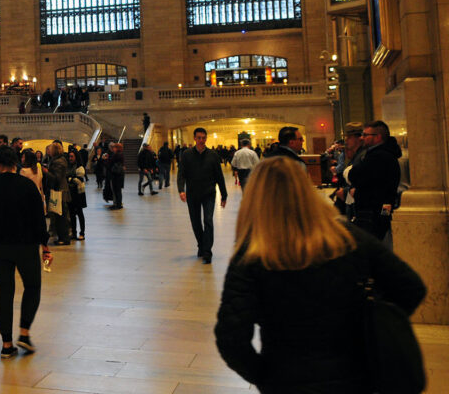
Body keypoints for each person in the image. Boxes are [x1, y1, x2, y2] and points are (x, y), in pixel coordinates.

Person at [215, 157, 426, 392]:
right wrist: (374, 322)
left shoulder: (252, 255)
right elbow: (410, 287)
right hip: (353, 376)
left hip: (287, 379)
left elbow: (231, 338)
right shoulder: (347, 237)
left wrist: (265, 376)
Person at [0, 146, 50, 358]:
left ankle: (6, 345)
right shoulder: (27, 186)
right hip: (25, 246)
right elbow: (39, 220)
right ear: (16, 163)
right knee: (33, 286)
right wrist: (45, 247)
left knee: (4, 292)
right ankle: (24, 333)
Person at [177, 127, 227, 264]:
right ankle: (201, 245)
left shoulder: (213, 155)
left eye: (203, 138)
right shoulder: (187, 154)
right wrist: (181, 189)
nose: (201, 140)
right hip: (192, 194)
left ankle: (207, 252)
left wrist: (224, 195)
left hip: (209, 193)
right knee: (195, 222)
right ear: (194, 138)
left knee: (208, 221)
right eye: (198, 137)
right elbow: (181, 173)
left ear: (206, 138)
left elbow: (219, 176)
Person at [349, 120, 402, 245]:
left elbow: (355, 175)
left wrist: (356, 192)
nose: (362, 138)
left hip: (372, 211)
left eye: (366, 135)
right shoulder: (384, 154)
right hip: (378, 209)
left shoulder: (378, 156)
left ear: (378, 137)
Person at [107, 141, 125, 210]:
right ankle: (119, 204)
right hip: (120, 174)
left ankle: (117, 205)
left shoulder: (116, 155)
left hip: (116, 175)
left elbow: (110, 163)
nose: (113, 148)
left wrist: (107, 160)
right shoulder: (121, 154)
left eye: (114, 147)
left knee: (116, 190)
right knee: (118, 190)